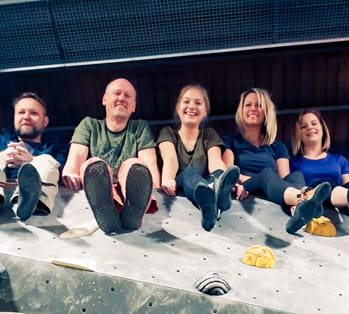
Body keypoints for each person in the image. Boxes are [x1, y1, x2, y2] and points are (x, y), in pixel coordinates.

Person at [222, 88, 331, 234]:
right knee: (266, 173)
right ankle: (304, 197)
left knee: (296, 175)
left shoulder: (277, 146)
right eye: (248, 105)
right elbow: (231, 172)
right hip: (246, 185)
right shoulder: (230, 141)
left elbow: (284, 178)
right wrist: (257, 179)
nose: (253, 109)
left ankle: (297, 212)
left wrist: (274, 182)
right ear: (241, 110)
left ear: (266, 112)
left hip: (272, 187)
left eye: (259, 105)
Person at [61, 77, 160, 234]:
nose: (121, 98)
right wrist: (70, 174)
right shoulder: (89, 125)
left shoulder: (139, 127)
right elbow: (75, 158)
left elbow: (150, 164)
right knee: (92, 164)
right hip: (100, 186)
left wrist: (155, 185)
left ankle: (133, 212)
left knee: (135, 165)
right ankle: (106, 210)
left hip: (127, 188)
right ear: (104, 99)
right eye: (117, 93)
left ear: (133, 106)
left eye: (127, 96)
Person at [0, 92, 67, 220]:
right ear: (14, 117)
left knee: (47, 160)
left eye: (33, 113)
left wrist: (31, 161)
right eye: (21, 112)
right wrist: (4, 156)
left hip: (37, 205)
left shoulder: (56, 148)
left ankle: (29, 202)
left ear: (45, 121)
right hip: (0, 193)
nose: (26, 117)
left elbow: (60, 173)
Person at [157, 84, 240, 231]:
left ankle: (214, 203)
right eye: (186, 101)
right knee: (190, 172)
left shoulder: (209, 134)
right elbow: (170, 159)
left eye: (198, 103)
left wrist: (220, 178)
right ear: (178, 107)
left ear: (205, 112)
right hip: (182, 183)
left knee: (208, 178)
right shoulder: (168, 132)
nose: (192, 106)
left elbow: (215, 160)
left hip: (207, 185)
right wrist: (167, 181)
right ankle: (213, 201)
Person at [291, 110, 349, 233]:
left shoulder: (339, 160)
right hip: (311, 201)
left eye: (314, 123)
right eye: (304, 126)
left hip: (336, 203)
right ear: (298, 133)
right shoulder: (294, 163)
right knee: (325, 185)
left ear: (322, 127)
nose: (310, 127)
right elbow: (295, 187)